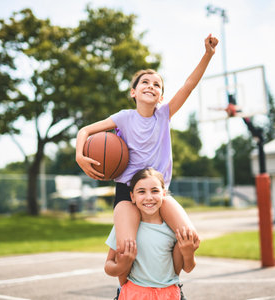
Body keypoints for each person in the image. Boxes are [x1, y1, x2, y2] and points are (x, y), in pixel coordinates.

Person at [76, 33, 218, 272]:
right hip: (126, 190)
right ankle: (125, 292)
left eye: (157, 85)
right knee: (126, 249)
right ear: (133, 92)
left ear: (161, 97)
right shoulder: (123, 118)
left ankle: (173, 281)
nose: (151, 86)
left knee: (189, 236)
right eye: (145, 82)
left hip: (158, 190)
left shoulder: (163, 115)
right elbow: (85, 130)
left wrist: (208, 54)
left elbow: (189, 85)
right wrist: (80, 155)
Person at [104, 168, 200, 299]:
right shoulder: (124, 227)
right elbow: (108, 265)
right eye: (141, 192)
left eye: (155, 191)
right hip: (135, 294)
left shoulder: (173, 229)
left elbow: (188, 268)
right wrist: (121, 266)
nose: (149, 197)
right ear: (132, 197)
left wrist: (189, 252)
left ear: (164, 194)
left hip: (169, 294)